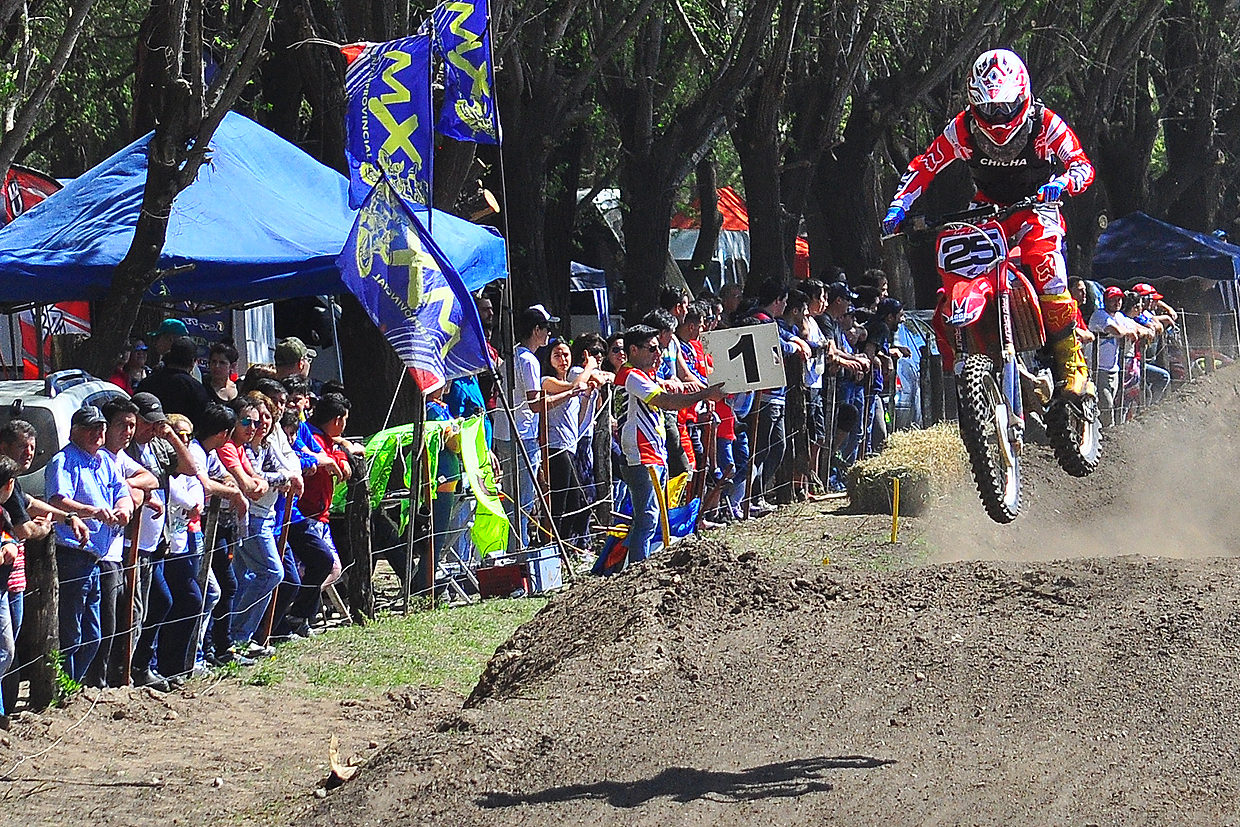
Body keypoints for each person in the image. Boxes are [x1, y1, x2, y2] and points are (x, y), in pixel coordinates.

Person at [883, 48, 1095, 400]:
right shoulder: (962, 129)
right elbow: (925, 165)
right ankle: (973, 351)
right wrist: (899, 205)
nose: (996, 116)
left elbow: (1082, 165)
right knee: (957, 262)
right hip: (987, 210)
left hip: (1035, 207)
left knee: (1046, 266)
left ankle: (1071, 361)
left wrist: (1063, 182)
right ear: (973, 102)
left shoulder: (1045, 124)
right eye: (988, 108)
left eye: (1004, 107)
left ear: (1022, 96)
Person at [615, 325, 725, 568]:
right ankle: (635, 570)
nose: (658, 354)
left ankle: (628, 565)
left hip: (653, 453)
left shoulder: (642, 376)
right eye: (652, 349)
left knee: (650, 518)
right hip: (641, 455)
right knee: (647, 518)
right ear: (633, 350)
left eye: (660, 349)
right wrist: (703, 394)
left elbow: (665, 391)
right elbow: (665, 401)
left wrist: (684, 387)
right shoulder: (631, 376)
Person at [0, 422, 90, 708]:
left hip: (11, 581)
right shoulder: (5, 478)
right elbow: (25, 528)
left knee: (9, 649)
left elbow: (28, 503)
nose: (30, 453)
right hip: (5, 580)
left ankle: (5, 710)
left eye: (32, 447)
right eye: (22, 447)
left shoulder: (12, 482)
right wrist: (45, 529)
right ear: (4, 447)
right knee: (5, 650)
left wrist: (66, 517)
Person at [45, 406, 133, 683]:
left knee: (94, 634)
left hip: (97, 556)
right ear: (75, 431)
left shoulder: (105, 461)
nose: (98, 433)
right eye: (90, 428)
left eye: (101, 428)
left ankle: (74, 683)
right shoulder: (64, 460)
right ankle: (64, 686)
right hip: (73, 553)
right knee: (72, 630)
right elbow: (58, 500)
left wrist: (124, 508)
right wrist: (92, 511)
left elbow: (122, 491)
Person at [94, 398, 159, 689]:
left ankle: (122, 672)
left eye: (132, 426)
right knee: (108, 618)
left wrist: (131, 487)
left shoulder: (121, 458)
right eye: (122, 425)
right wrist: (133, 492)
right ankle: (106, 676)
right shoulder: (101, 457)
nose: (128, 432)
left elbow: (151, 478)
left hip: (120, 550)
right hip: (100, 550)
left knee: (132, 611)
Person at [492, 305, 555, 547]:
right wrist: (570, 394)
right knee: (523, 499)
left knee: (511, 497)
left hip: (505, 432)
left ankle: (512, 546)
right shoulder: (529, 360)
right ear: (536, 330)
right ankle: (519, 549)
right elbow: (535, 404)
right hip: (522, 435)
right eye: (546, 329)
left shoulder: (512, 356)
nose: (549, 334)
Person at [136, 336, 212, 425]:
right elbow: (204, 420)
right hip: (184, 436)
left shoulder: (147, 383)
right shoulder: (196, 389)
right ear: (193, 362)